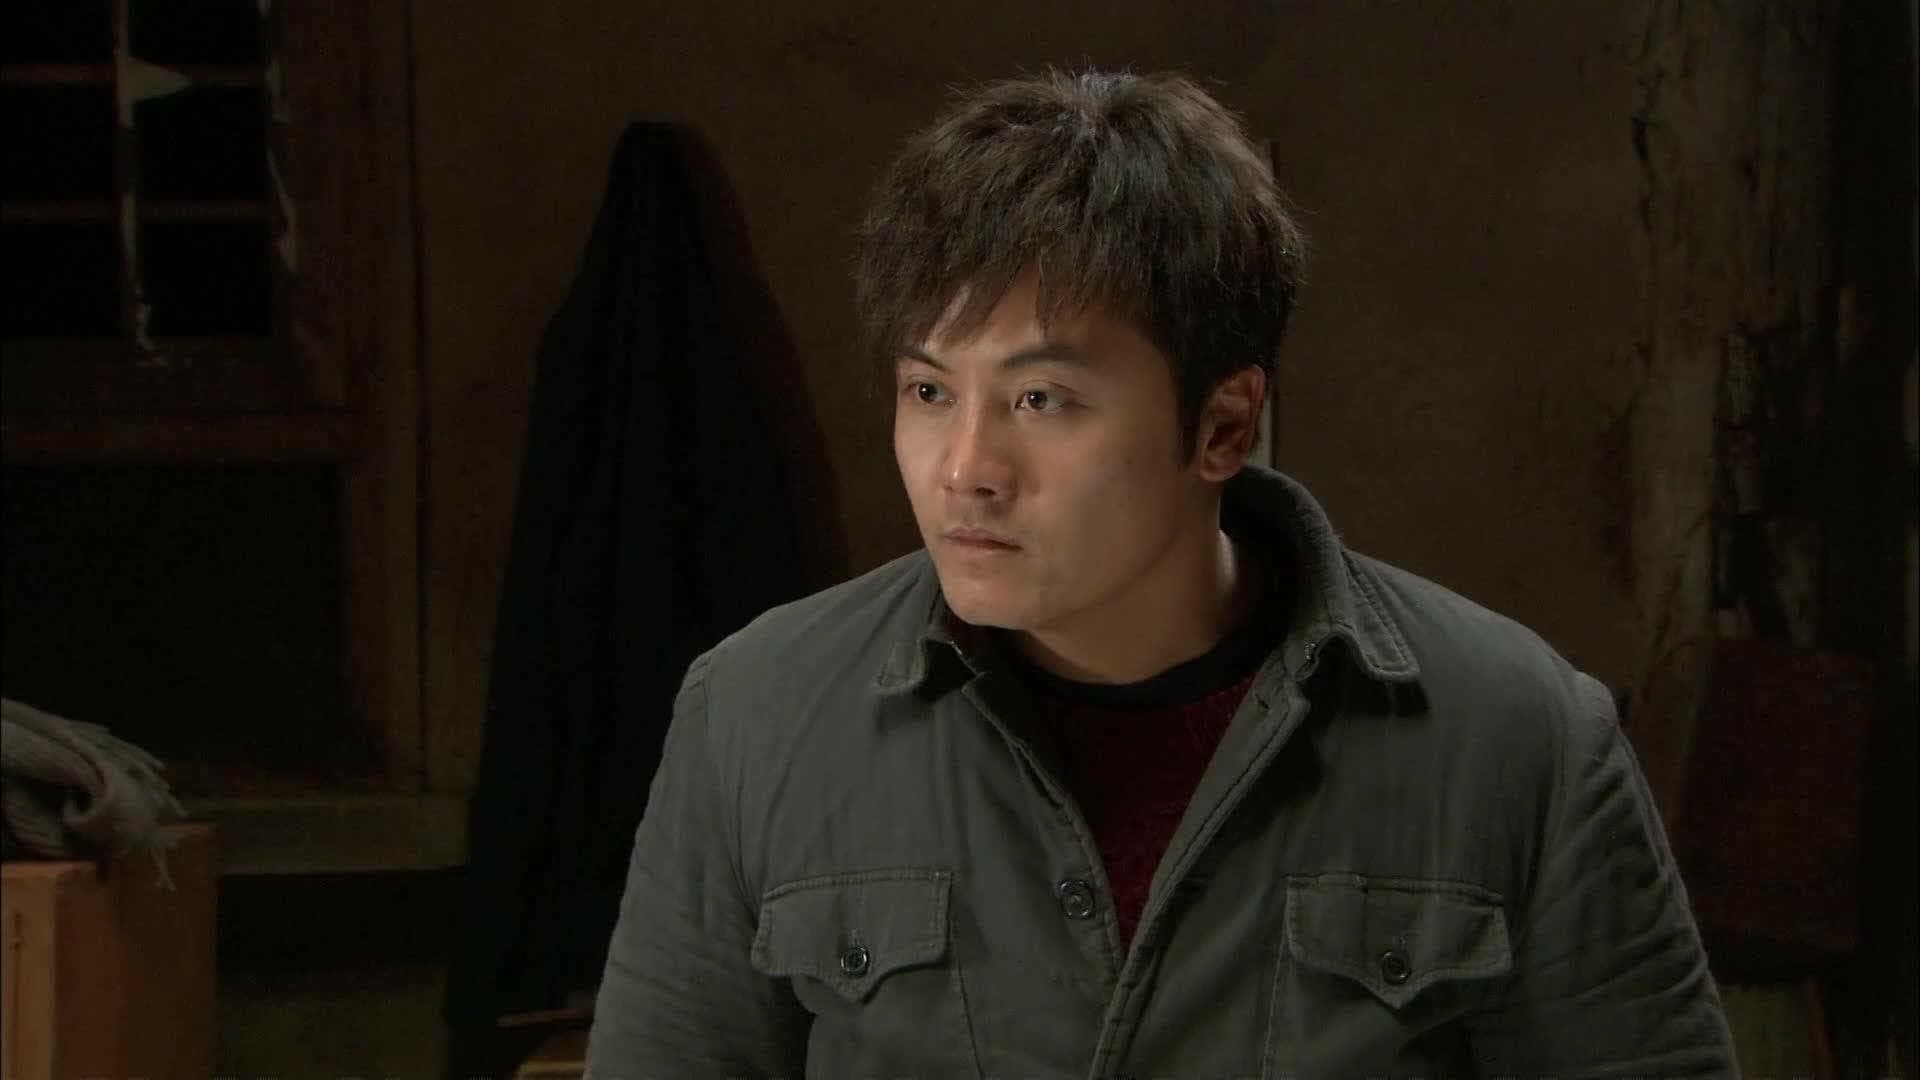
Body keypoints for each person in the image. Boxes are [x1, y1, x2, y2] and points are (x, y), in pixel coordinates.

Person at [584, 69, 1736, 1079]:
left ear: (1224, 426)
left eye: (1042, 399)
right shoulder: (758, 717)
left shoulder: (1518, 738)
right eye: (929, 391)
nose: (966, 469)